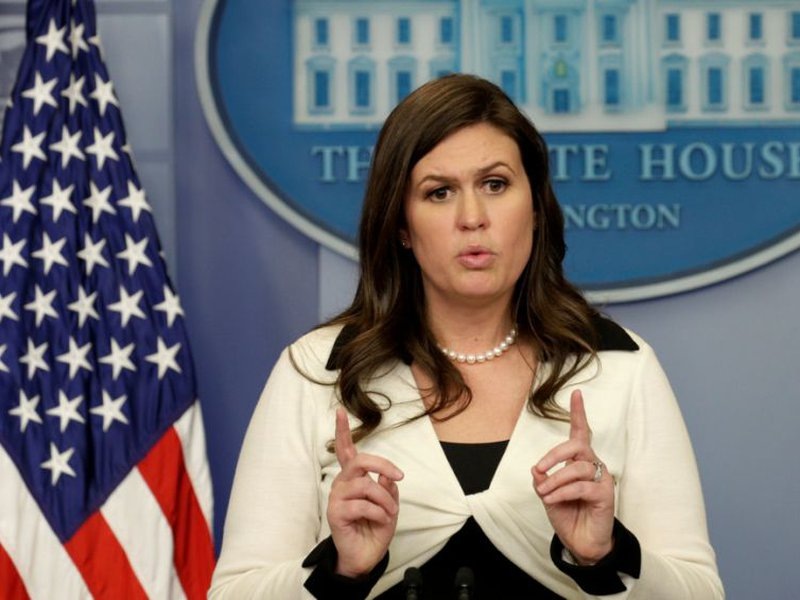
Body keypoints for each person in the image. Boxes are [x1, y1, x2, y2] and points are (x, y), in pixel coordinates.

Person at [208, 74, 723, 599]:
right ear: (402, 226)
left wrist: (607, 554)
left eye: (495, 185)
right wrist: (338, 572)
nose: (472, 218)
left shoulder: (618, 365)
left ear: (535, 207)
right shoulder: (320, 371)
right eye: (439, 192)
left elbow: (701, 592)